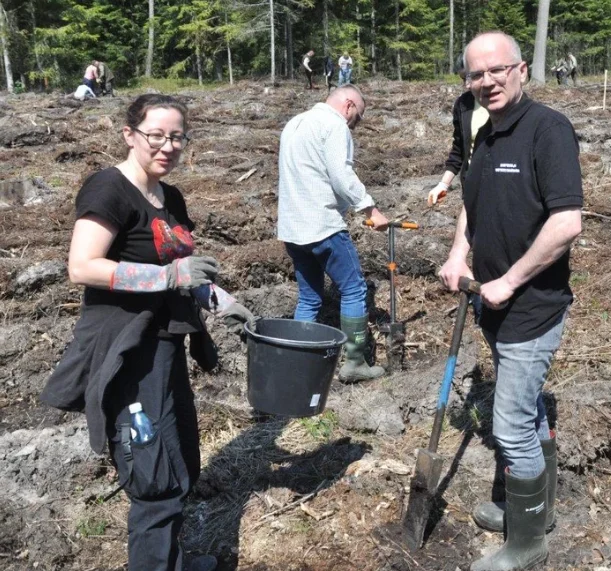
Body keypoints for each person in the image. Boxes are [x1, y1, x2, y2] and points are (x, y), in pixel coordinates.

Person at [39, 94, 255, 571]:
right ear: (129, 134)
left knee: (178, 452)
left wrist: (229, 306)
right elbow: (83, 266)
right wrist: (166, 279)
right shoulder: (109, 189)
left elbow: (184, 270)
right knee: (150, 465)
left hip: (165, 345)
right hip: (127, 348)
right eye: (156, 135)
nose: (167, 146)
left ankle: (172, 560)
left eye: (177, 136)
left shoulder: (169, 197)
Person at [439, 31, 583, 571]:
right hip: (492, 303)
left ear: (521, 70)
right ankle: (535, 511)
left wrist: (511, 280)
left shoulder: (548, 130)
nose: (486, 82)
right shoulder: (488, 135)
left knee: (510, 426)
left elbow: (567, 222)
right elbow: (471, 207)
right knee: (524, 410)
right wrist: (459, 256)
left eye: (497, 70)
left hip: (532, 305)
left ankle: (528, 544)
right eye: (476, 74)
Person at [277, 85, 390, 382]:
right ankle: (354, 363)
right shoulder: (334, 125)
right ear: (349, 105)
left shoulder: (295, 123)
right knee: (354, 289)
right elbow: (341, 176)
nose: (355, 124)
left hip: (292, 227)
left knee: (310, 297)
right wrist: (370, 210)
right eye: (358, 118)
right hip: (322, 224)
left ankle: (298, 362)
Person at [428, 62, 490, 206]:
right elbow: (459, 150)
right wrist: (443, 185)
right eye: (463, 79)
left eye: (471, 77)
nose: (467, 85)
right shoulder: (463, 104)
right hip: (472, 187)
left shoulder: (504, 104)